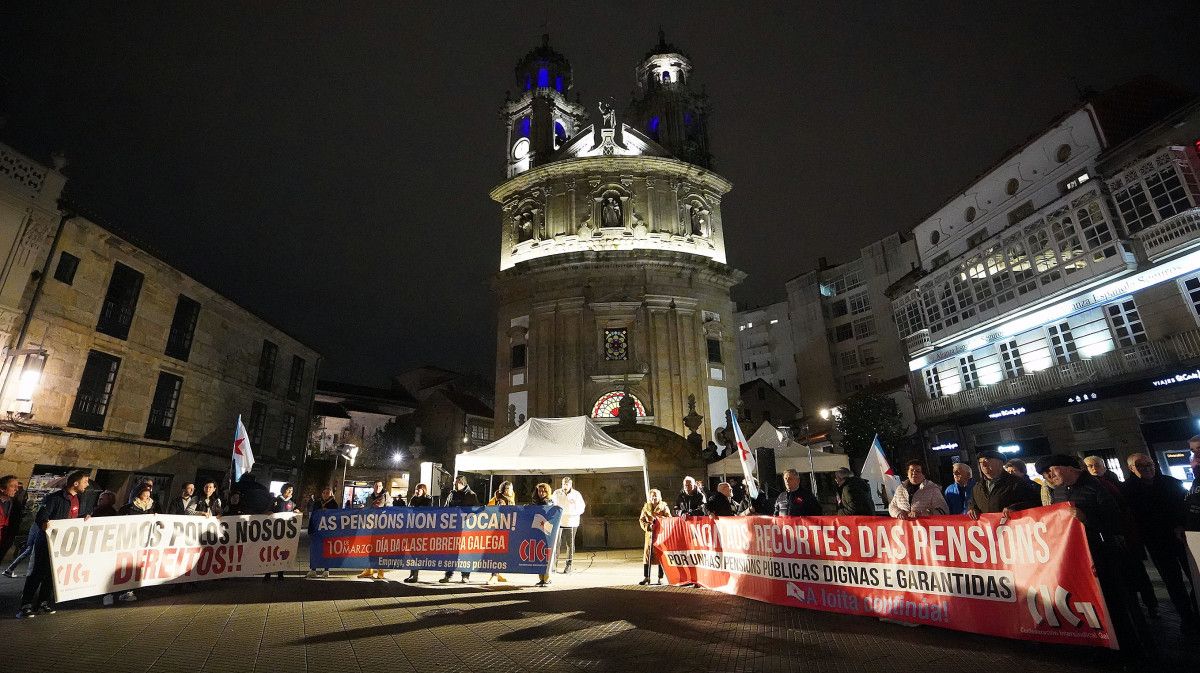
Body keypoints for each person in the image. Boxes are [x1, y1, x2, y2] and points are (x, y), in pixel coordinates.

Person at [1036, 453, 1146, 648]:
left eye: (1051, 469)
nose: (1049, 475)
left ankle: (1135, 645)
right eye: (1045, 473)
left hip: (1108, 555)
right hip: (1082, 558)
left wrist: (1087, 518)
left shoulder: (1098, 486)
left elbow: (1117, 521)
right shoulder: (1060, 491)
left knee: (1121, 602)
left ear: (1069, 467)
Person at [1120, 453, 1198, 627]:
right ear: (1131, 469)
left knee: (1194, 576)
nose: (1147, 468)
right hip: (1156, 542)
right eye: (1141, 466)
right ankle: (1187, 617)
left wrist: (1181, 525)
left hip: (1180, 538)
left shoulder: (1171, 483)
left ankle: (1196, 609)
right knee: (1173, 582)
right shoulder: (1126, 491)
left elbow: (1185, 508)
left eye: (1149, 464)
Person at [17, 470, 92, 618]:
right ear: (75, 483)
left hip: (64, 545)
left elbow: (74, 517)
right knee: (37, 573)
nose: (87, 484)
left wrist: (85, 517)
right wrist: (45, 523)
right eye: (85, 481)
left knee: (52, 575)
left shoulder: (80, 499)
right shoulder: (54, 498)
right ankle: (25, 604)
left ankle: (43, 602)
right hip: (46, 543)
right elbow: (41, 517)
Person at [968, 451, 1041, 520]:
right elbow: (973, 504)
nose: (983, 465)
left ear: (1000, 463)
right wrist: (972, 509)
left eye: (986, 461)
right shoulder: (977, 487)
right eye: (980, 462)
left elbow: (1034, 502)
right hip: (990, 531)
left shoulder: (1016, 482)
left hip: (1013, 529)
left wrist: (1015, 508)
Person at [441, 476, 480, 583]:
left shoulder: (471, 495)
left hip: (466, 529)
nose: (454, 484)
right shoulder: (452, 494)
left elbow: (476, 511)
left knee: (465, 553)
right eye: (454, 483)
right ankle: (448, 575)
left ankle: (465, 575)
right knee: (451, 553)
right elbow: (446, 508)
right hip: (453, 528)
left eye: (456, 483)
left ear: (462, 483)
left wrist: (466, 516)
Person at [552, 477, 585, 573]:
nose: (565, 486)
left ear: (570, 484)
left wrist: (571, 513)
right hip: (559, 522)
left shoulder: (576, 494)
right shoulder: (556, 493)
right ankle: (554, 564)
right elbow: (552, 504)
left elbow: (581, 508)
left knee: (570, 544)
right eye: (563, 484)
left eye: (567, 484)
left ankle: (568, 565)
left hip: (571, 522)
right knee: (556, 544)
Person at [639, 488, 671, 585]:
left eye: (656, 495)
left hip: (660, 535)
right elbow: (641, 520)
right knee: (647, 556)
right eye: (652, 496)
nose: (654, 498)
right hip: (649, 535)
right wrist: (648, 526)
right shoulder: (646, 507)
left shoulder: (664, 507)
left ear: (659, 497)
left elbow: (669, 518)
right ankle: (646, 577)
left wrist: (658, 520)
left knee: (660, 556)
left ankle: (660, 577)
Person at [485, 481, 516, 585]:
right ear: (504, 490)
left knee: (503, 554)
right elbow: (491, 511)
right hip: (498, 530)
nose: (510, 490)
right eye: (508, 488)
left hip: (506, 530)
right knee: (496, 553)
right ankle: (493, 575)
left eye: (511, 488)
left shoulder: (511, 498)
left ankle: (498, 574)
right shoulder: (500, 500)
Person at [403, 484, 434, 583]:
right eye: (416, 489)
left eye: (419, 489)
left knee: (417, 552)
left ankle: (415, 575)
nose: (417, 491)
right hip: (412, 528)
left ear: (424, 490)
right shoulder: (413, 499)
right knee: (412, 552)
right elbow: (409, 510)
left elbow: (427, 512)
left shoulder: (428, 499)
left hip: (421, 530)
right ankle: (412, 574)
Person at [530, 482, 554, 587]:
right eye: (539, 490)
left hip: (547, 532)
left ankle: (547, 578)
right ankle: (541, 578)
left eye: (544, 491)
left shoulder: (550, 502)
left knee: (546, 555)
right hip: (537, 531)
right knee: (538, 554)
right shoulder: (534, 503)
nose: (541, 493)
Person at [0, 476, 19, 565]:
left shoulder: (14, 503)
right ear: (2, 489)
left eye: (17, 486)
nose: (16, 489)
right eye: (13, 486)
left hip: (4, 541)